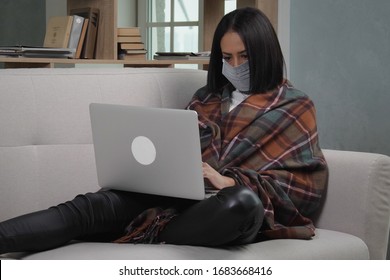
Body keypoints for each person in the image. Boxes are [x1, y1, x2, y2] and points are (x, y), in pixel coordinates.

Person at [0, 7, 328, 254]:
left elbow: (302, 188)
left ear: (265, 53)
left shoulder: (295, 106)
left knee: (239, 203)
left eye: (245, 56)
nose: (236, 66)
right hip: (171, 199)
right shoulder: (205, 99)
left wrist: (229, 180)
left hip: (225, 210)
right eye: (227, 57)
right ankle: (140, 225)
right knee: (89, 207)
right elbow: (175, 151)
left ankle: (147, 229)